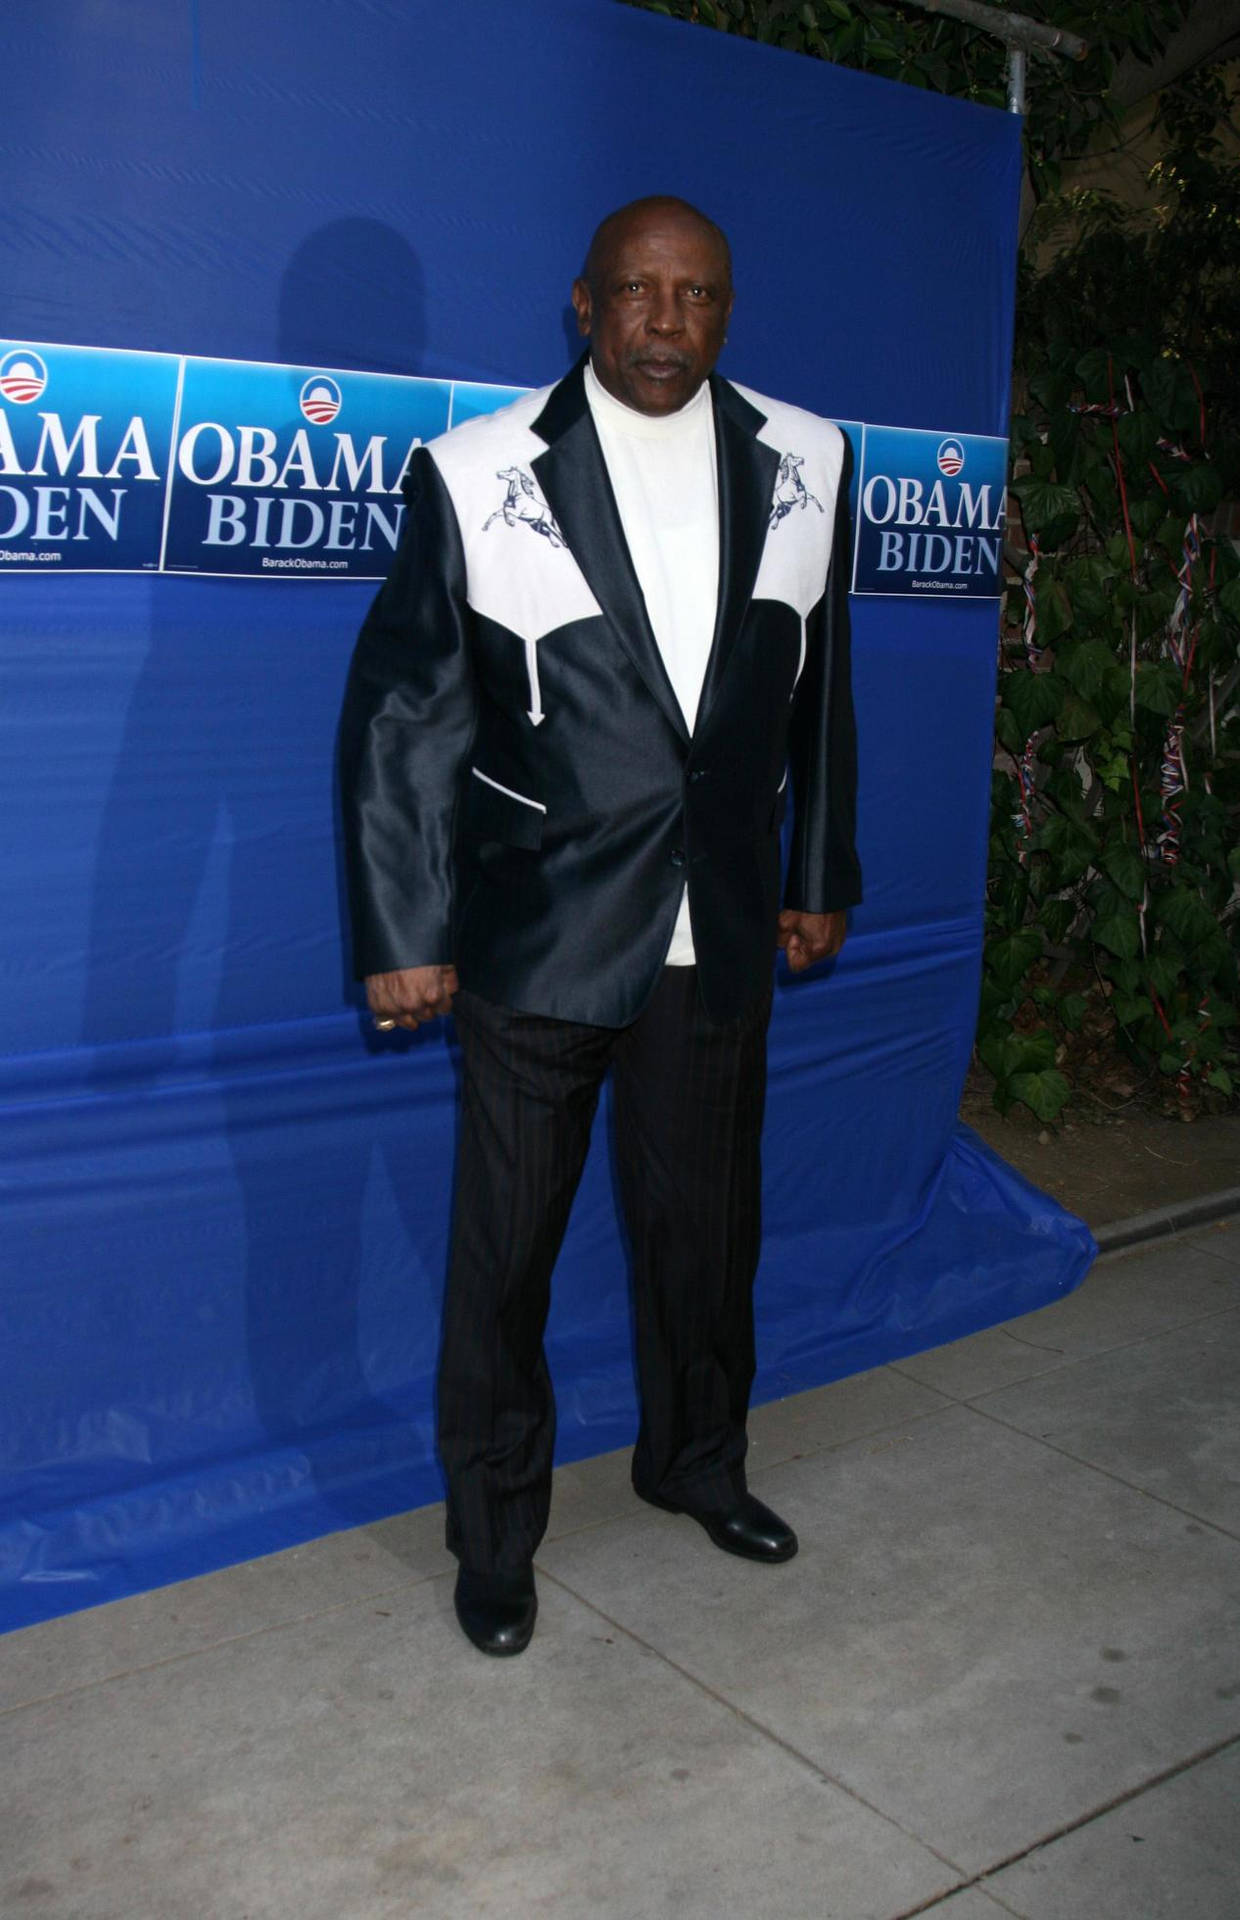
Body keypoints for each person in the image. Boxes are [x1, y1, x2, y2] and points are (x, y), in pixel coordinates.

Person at [339, 196, 860, 1656]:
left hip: (724, 932)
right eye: (637, 293)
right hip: (540, 935)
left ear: (728, 310)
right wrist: (403, 927)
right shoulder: (480, 468)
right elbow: (403, 722)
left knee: (707, 1235)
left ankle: (698, 1464)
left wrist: (818, 870)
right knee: (504, 1257)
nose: (665, 323)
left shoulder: (813, 463)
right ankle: (495, 1537)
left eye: (696, 296)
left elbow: (823, 689)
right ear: (584, 304)